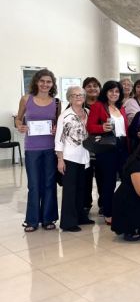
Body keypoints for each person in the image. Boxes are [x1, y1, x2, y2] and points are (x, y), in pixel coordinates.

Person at [16, 69, 60, 232]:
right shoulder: (26, 99)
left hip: (50, 148)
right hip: (32, 148)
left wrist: (56, 129)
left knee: (49, 184)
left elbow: (58, 124)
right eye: (42, 81)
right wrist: (19, 126)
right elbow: (18, 119)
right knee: (34, 185)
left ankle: (49, 218)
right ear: (36, 82)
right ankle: (32, 220)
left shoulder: (56, 102)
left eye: (48, 82)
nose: (45, 84)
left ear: (52, 84)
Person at [86, 80, 128, 226]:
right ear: (105, 92)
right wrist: (102, 128)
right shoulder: (98, 105)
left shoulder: (120, 107)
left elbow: (125, 129)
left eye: (117, 91)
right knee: (108, 181)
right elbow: (90, 127)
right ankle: (108, 212)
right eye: (111, 91)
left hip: (123, 146)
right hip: (107, 147)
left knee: (126, 179)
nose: (114, 94)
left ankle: (122, 207)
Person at [55, 86, 93, 232]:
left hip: (84, 157)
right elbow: (59, 139)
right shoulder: (64, 116)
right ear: (69, 98)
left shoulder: (88, 112)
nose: (78, 97)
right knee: (70, 191)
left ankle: (81, 217)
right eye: (74, 95)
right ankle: (68, 222)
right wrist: (60, 160)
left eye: (81, 95)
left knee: (81, 189)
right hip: (69, 157)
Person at [82, 77, 103, 215]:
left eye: (95, 86)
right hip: (84, 147)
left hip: (102, 146)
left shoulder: (104, 104)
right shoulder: (78, 104)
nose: (92, 88)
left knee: (102, 176)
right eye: (88, 86)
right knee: (85, 176)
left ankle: (103, 203)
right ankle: (85, 203)